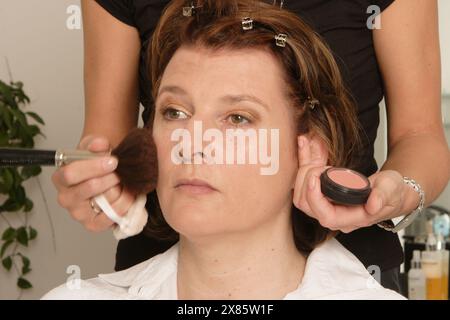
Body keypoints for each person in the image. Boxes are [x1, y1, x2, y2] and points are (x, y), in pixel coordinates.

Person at [50, 0, 449, 294]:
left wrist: (398, 192)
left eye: (238, 118)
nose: (193, 144)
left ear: (309, 148)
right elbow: (108, 144)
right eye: (173, 112)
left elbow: (421, 135)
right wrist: (97, 183)